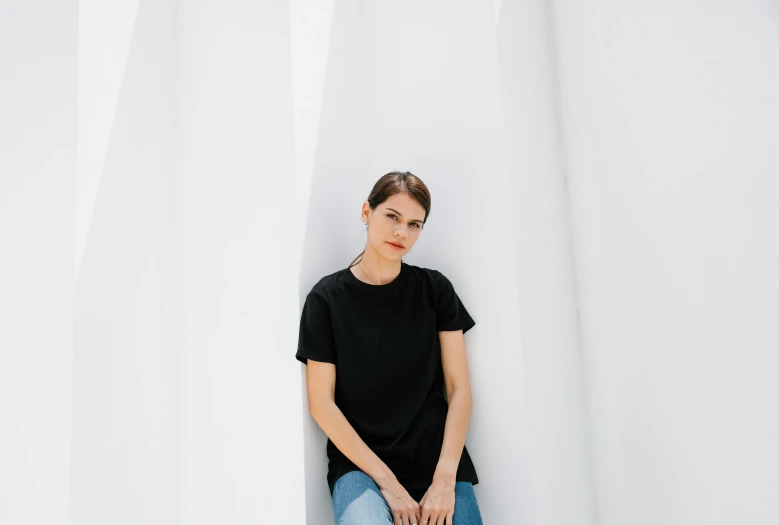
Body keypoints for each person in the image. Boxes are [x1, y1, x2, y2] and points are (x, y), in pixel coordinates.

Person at [296, 172, 484, 525]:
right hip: (360, 466)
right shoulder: (326, 300)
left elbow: (459, 389)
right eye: (392, 217)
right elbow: (321, 402)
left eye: (414, 224)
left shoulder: (435, 289)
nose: (402, 232)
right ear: (367, 212)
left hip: (436, 459)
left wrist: (445, 477)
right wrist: (388, 483)